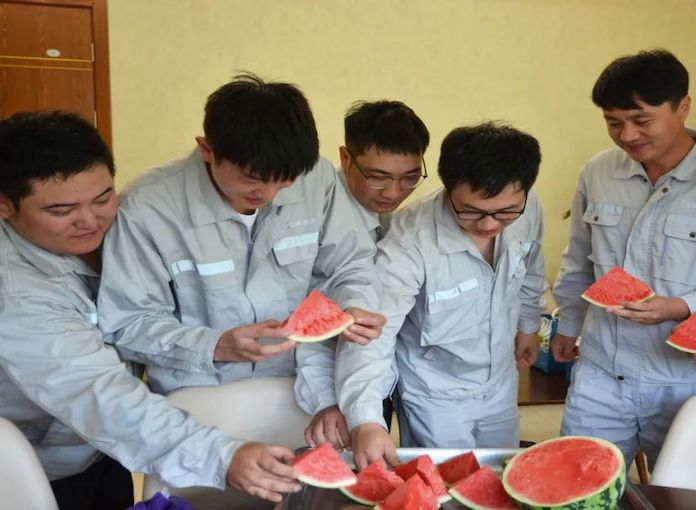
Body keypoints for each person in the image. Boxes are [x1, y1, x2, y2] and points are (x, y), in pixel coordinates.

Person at [0, 111, 303, 510]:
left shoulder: (120, 233)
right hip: (40, 471)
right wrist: (220, 456)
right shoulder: (17, 294)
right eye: (61, 211)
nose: (90, 220)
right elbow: (95, 393)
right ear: (5, 205)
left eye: (103, 198)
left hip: (109, 451)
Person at [551, 49, 696, 467]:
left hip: (691, 378)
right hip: (601, 371)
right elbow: (580, 257)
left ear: (682, 106)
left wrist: (683, 306)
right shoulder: (598, 172)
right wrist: (568, 324)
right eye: (613, 123)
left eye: (642, 120)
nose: (627, 135)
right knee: (580, 479)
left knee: (689, 490)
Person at [97, 73, 385, 396]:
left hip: (300, 387)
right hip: (199, 391)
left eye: (285, 181)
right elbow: (127, 322)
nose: (269, 193)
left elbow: (348, 264)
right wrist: (215, 345)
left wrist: (354, 304)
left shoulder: (317, 177)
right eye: (252, 179)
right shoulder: (147, 208)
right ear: (207, 150)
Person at [335, 122, 547, 468]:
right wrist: (366, 419)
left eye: (506, 212)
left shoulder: (528, 206)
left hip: (500, 383)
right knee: (446, 484)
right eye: (471, 211)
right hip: (435, 394)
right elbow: (373, 332)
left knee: (500, 476)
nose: (489, 225)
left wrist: (528, 326)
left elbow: (531, 266)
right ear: (448, 189)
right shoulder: (409, 239)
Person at [298, 100, 430, 449]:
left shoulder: (400, 220)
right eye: (377, 177)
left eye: (409, 178)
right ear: (345, 158)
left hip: (375, 376)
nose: (393, 192)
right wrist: (327, 399)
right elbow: (306, 320)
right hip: (319, 391)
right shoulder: (313, 217)